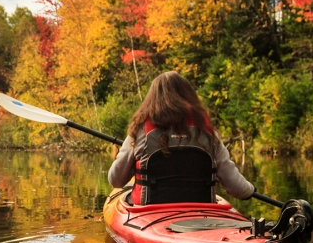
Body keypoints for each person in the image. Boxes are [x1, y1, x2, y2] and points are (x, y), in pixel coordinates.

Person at [108, 71, 254, 205]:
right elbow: (237, 187)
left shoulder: (141, 131)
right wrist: (250, 191)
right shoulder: (208, 132)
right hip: (202, 213)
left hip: (148, 212)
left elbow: (116, 180)